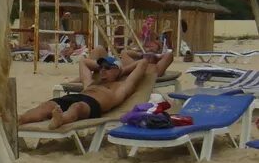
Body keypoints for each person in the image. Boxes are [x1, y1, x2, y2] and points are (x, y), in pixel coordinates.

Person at [18, 48, 175, 130]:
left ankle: (62, 120)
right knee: (47, 105)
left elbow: (142, 64)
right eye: (101, 68)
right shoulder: (92, 82)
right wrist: (104, 67)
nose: (103, 70)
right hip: (79, 95)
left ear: (117, 69)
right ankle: (19, 120)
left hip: (93, 104)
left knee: (77, 107)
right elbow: (84, 62)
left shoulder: (123, 86)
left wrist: (120, 70)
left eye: (107, 68)